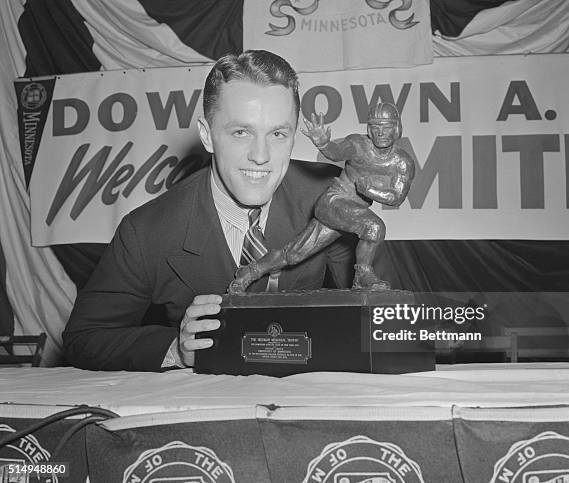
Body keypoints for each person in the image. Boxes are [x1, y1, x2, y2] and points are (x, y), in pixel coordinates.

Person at [62, 50, 355, 372]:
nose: (261, 155)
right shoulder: (146, 230)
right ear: (207, 135)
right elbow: (85, 338)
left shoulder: (330, 197)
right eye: (241, 132)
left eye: (278, 134)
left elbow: (380, 311)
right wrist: (175, 349)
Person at [230, 102, 415, 293]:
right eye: (376, 127)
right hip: (335, 202)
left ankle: (249, 272)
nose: (381, 132)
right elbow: (337, 152)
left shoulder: (402, 162)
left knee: (293, 254)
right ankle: (362, 275)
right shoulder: (358, 145)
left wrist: (370, 191)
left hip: (353, 213)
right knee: (374, 228)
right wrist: (324, 143)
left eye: (386, 127)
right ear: (369, 129)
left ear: (397, 129)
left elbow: (397, 197)